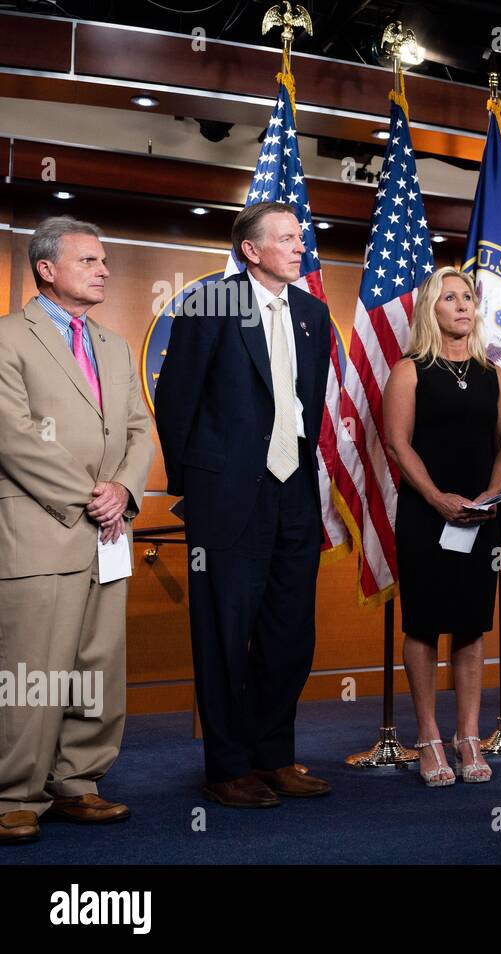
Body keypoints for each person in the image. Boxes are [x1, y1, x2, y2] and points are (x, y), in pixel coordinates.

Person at [155, 201, 332, 808]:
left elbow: (308, 406)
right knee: (225, 635)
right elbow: (176, 405)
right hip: (226, 498)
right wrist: (199, 488)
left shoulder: (313, 313)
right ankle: (226, 765)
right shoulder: (211, 304)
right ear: (250, 250)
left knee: (290, 636)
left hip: (295, 497)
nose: (298, 245)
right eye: (285, 237)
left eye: (299, 236)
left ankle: (273, 756)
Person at [0, 216, 154, 844]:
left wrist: (123, 491)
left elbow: (139, 428)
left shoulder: (114, 345)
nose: (103, 270)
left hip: (108, 533)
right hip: (41, 527)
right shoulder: (10, 337)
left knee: (95, 663)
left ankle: (78, 782)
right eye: (89, 260)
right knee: (34, 666)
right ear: (47, 269)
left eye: (104, 260)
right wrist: (88, 497)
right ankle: (14, 793)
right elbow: (12, 434)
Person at [384, 266, 501, 787]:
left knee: (470, 623)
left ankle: (468, 735)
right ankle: (429, 738)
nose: (463, 305)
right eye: (450, 299)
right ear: (429, 311)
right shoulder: (411, 369)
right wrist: (439, 498)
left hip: (481, 516)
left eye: (468, 297)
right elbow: (398, 443)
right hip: (425, 512)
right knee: (422, 624)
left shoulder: (494, 374)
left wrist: (489, 495)